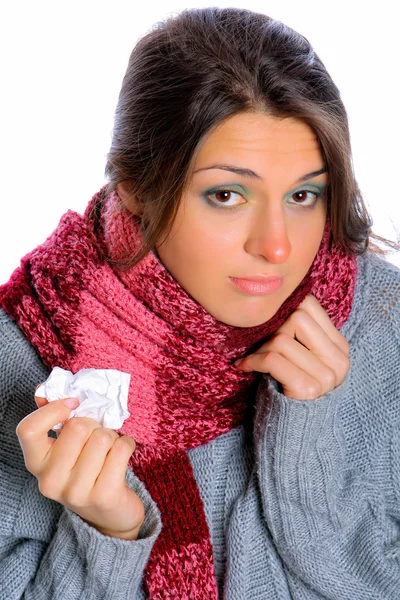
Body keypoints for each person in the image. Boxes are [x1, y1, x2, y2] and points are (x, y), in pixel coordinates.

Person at [0, 6, 399, 599]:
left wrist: (308, 451)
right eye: (227, 194)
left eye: (304, 194)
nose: (278, 246)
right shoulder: (24, 353)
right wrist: (107, 532)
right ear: (135, 186)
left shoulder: (379, 319)